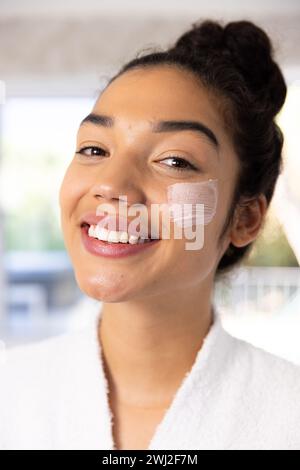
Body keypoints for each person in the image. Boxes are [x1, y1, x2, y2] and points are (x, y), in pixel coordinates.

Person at [1, 18, 300, 451]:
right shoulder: (12, 395)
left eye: (175, 161)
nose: (111, 185)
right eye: (94, 149)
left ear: (245, 218)